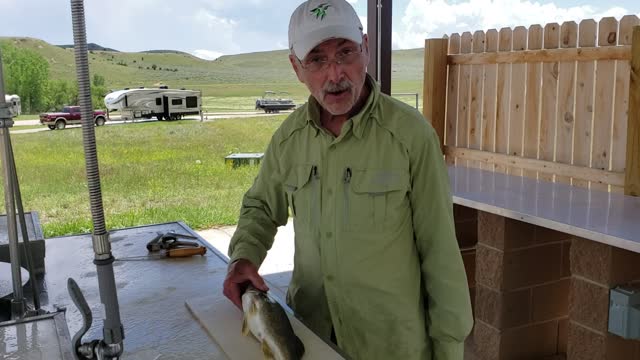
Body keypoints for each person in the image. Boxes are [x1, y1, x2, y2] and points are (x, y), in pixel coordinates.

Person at [223, 0, 473, 359]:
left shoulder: (410, 136)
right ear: (296, 67)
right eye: (317, 60)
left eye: (345, 52)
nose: (335, 74)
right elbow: (261, 206)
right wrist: (243, 257)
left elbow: (440, 252)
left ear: (366, 49)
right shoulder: (289, 139)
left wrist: (448, 349)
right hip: (309, 338)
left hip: (390, 346)